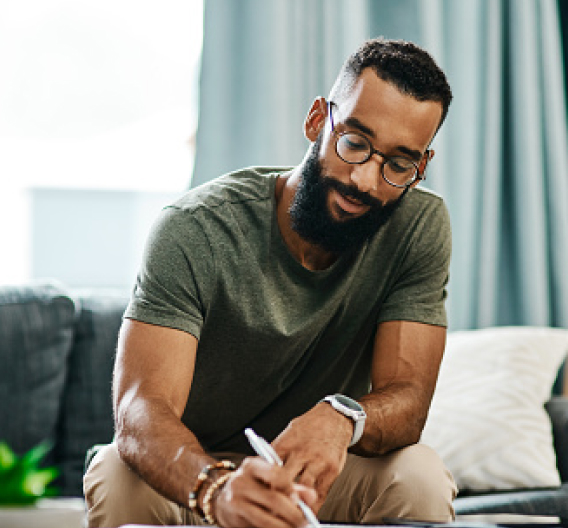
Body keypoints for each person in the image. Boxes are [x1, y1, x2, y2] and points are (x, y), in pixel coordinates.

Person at [84, 37, 456, 528]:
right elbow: (139, 410)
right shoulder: (194, 228)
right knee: (115, 472)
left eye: (398, 164)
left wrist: (343, 416)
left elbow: (408, 399)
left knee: (420, 474)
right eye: (355, 143)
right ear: (318, 121)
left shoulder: (418, 226)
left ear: (420, 167)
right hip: (196, 469)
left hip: (315, 475)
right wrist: (214, 489)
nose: (366, 181)